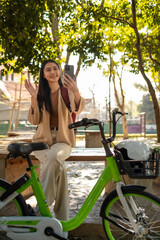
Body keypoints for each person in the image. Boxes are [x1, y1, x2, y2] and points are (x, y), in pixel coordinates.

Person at [25, 59, 85, 222]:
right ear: (43, 75)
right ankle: (63, 221)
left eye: (55, 69)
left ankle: (42, 206)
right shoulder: (41, 95)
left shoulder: (67, 91)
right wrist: (33, 98)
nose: (53, 72)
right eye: (48, 70)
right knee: (58, 167)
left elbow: (78, 109)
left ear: (60, 71)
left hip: (63, 140)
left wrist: (76, 91)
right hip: (41, 140)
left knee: (54, 157)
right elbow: (34, 120)